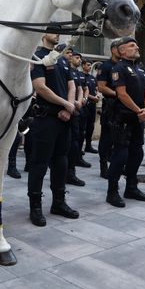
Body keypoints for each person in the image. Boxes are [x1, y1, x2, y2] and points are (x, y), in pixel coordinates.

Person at [26, 31, 79, 227]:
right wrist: (66, 104)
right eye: (53, 30)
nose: (57, 34)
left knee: (61, 162)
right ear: (43, 34)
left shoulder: (63, 58)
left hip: (64, 118)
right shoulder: (37, 57)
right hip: (46, 118)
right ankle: (35, 207)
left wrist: (69, 106)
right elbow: (40, 87)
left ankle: (58, 202)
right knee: (39, 164)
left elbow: (71, 85)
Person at [105, 37, 145, 207]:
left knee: (137, 153)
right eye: (132, 45)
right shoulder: (118, 68)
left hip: (138, 118)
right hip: (123, 118)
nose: (137, 47)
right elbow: (122, 94)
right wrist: (137, 110)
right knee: (120, 155)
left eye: (136, 44)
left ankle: (131, 187)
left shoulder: (141, 69)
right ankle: (112, 192)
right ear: (122, 51)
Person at [95, 41, 121, 178]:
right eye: (119, 48)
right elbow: (101, 87)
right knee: (106, 138)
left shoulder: (124, 66)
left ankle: (117, 164)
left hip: (123, 106)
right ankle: (103, 166)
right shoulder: (106, 66)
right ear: (112, 50)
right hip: (111, 105)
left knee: (120, 139)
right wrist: (119, 94)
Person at [66, 50, 88, 187]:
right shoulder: (63, 68)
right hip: (65, 108)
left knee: (76, 140)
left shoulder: (77, 74)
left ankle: (71, 171)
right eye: (75, 56)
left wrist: (80, 101)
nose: (78, 60)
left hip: (76, 110)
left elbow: (79, 88)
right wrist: (70, 103)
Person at [81, 59, 99, 156]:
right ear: (83, 65)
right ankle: (80, 147)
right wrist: (92, 97)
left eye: (90, 65)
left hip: (93, 105)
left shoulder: (92, 78)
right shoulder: (80, 76)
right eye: (88, 65)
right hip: (85, 104)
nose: (89, 67)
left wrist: (97, 96)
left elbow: (96, 89)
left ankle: (88, 145)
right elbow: (83, 91)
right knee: (83, 126)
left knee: (91, 126)